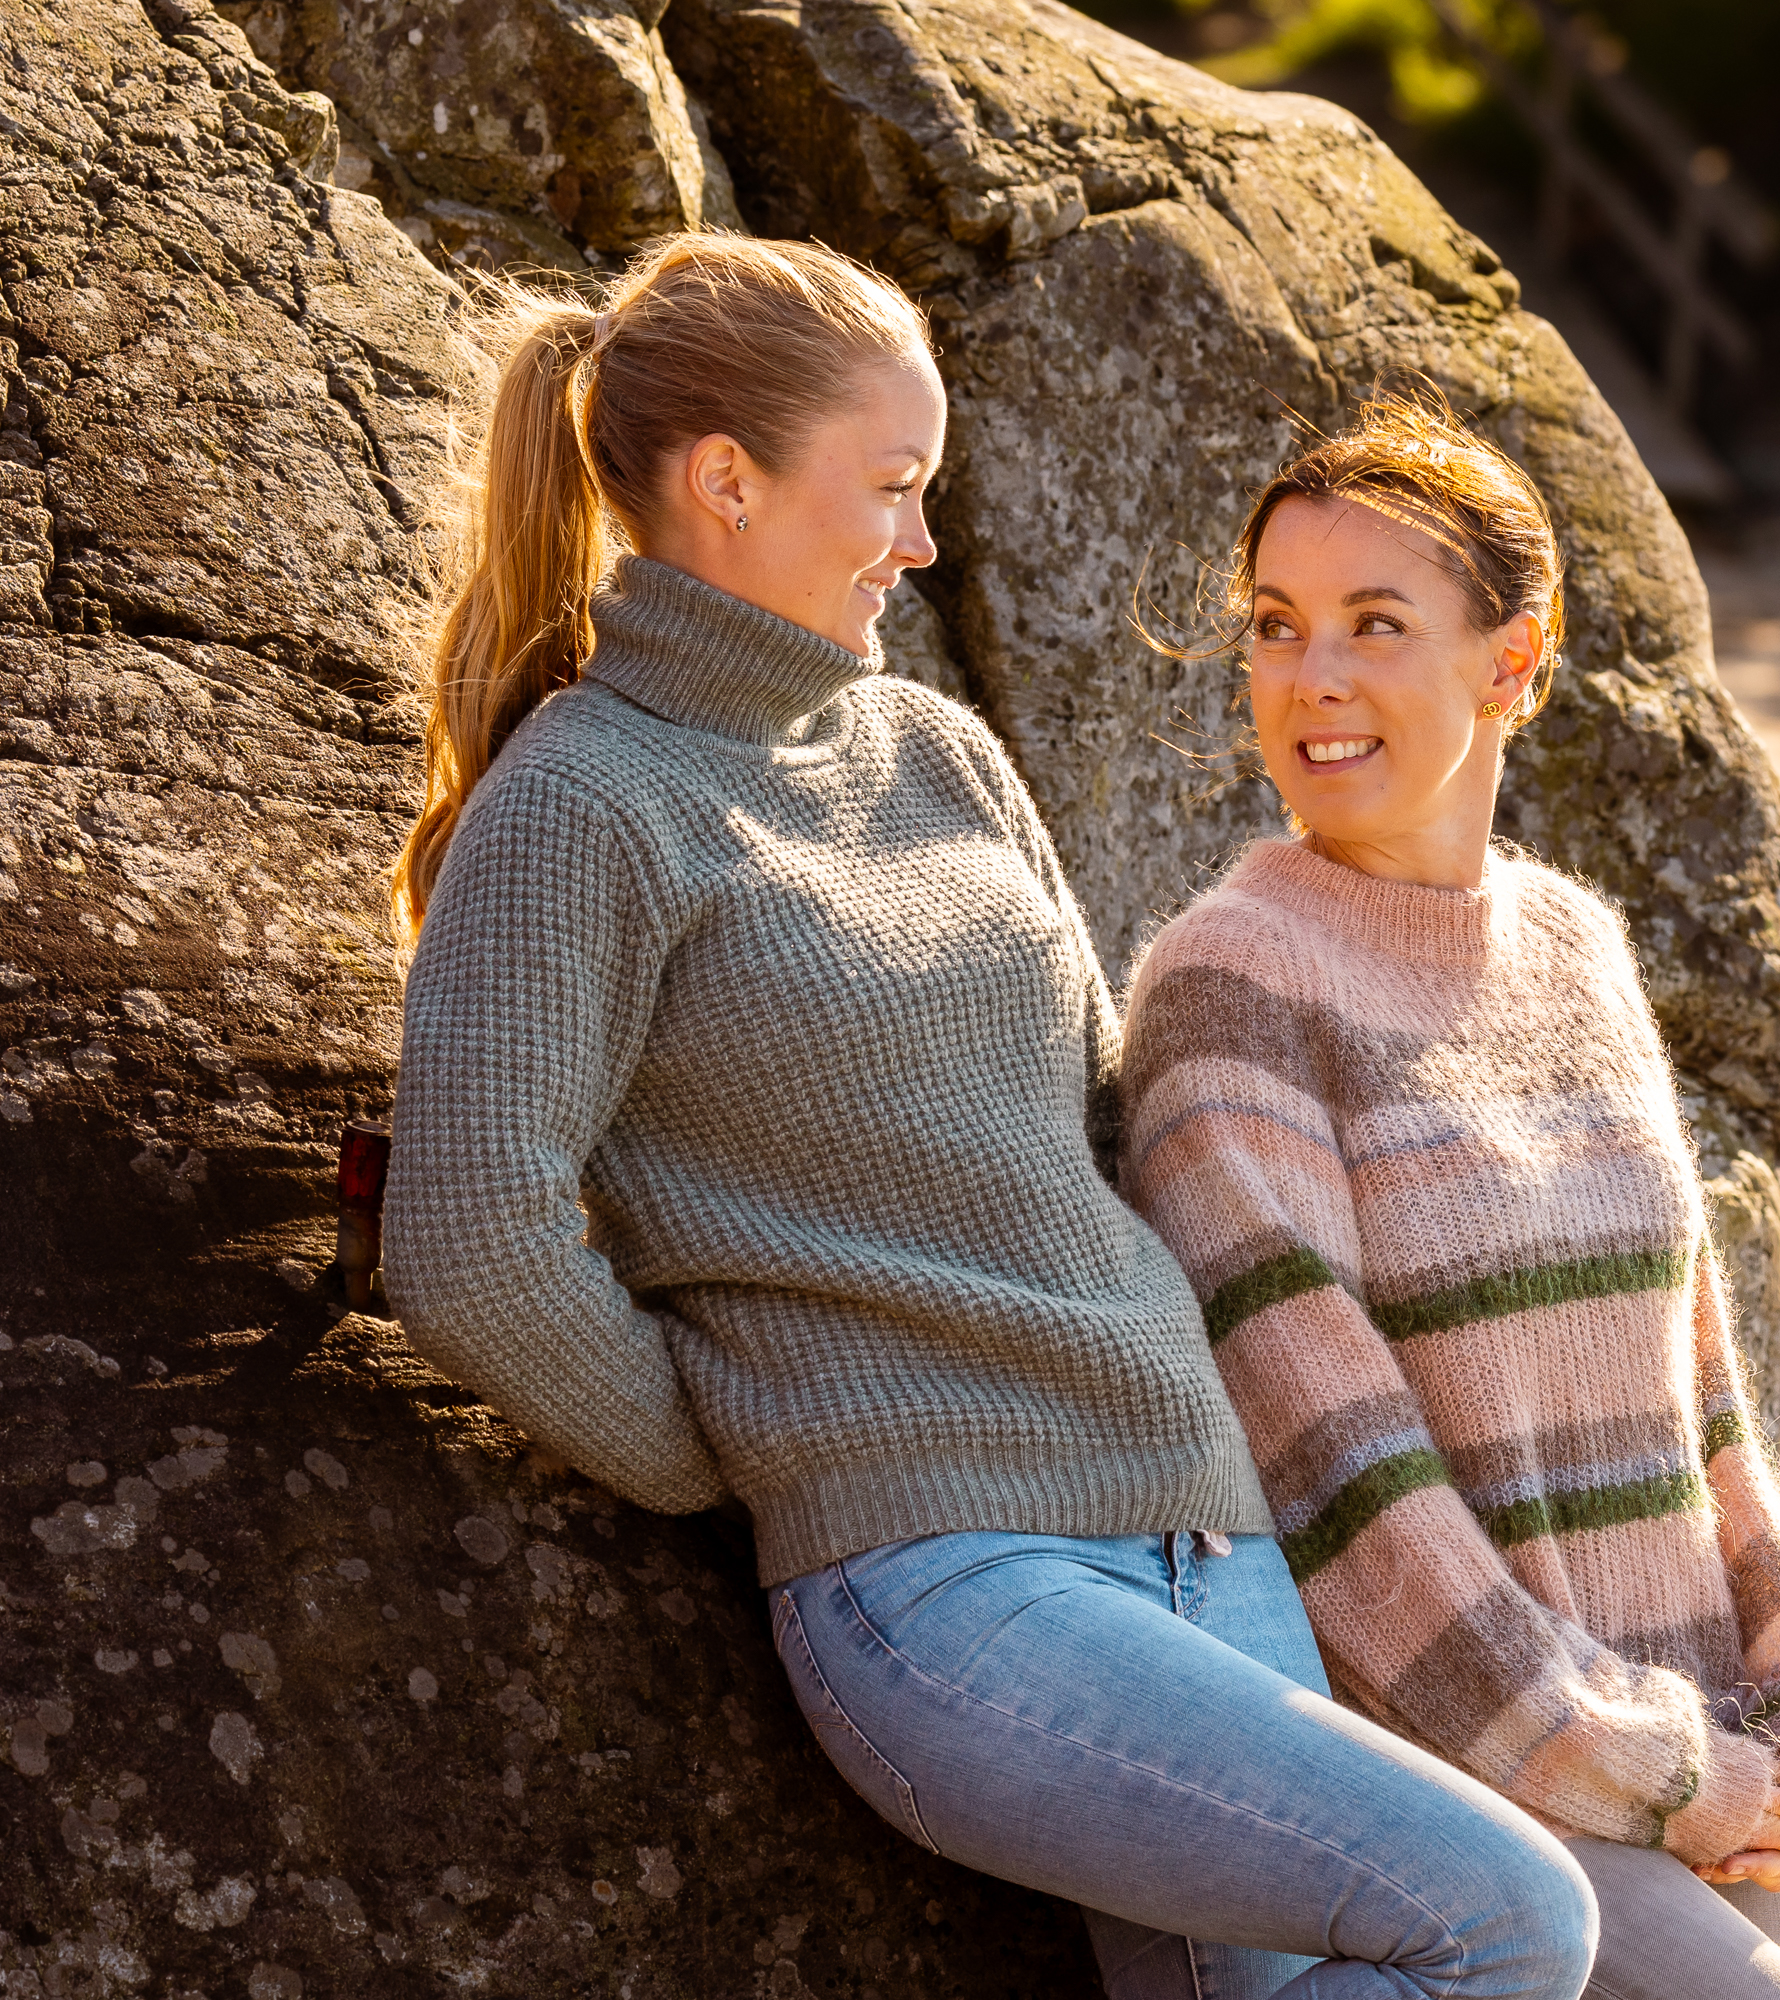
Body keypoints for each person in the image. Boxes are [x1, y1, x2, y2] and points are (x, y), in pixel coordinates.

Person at [380, 235, 1597, 2000]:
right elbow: (469, 1236)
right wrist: (740, 1451)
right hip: (951, 1583)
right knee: (1509, 1920)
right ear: (727, 482)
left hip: (1203, 1531)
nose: (924, 542)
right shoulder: (582, 804)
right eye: (893, 486)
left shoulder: (937, 750)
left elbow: (1100, 1131)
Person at [1117, 393, 1780, 2000]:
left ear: (1514, 662)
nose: (1313, 677)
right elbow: (1341, 1497)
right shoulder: (1229, 987)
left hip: (1701, 1749)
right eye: (1276, 625)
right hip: (1468, 1793)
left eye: (1375, 623)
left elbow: (1698, 1416)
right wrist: (1646, 1766)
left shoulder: (1575, 951)